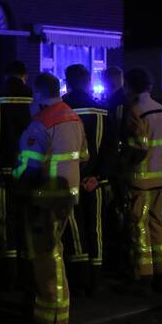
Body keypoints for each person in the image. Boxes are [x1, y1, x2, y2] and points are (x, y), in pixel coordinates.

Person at [13, 72, 89, 324]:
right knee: (56, 250)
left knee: (45, 255)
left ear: (37, 93)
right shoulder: (74, 117)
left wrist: (17, 180)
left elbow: (30, 166)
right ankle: (58, 310)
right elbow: (84, 155)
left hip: (44, 197)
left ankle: (50, 314)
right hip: (69, 195)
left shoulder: (41, 122)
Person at [122, 67, 162, 293]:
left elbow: (138, 146)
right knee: (157, 225)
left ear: (131, 86)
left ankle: (143, 276)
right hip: (158, 179)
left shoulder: (136, 111)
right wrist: (161, 160)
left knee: (139, 226)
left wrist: (125, 163)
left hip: (139, 179)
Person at [61, 64, 110, 296]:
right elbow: (111, 148)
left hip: (71, 179)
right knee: (96, 227)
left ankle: (79, 277)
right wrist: (98, 176)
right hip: (96, 181)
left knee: (74, 226)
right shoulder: (102, 109)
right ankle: (96, 277)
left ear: (67, 81)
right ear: (88, 81)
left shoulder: (63, 109)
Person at [0, 60, 33, 291]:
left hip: (4, 167)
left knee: (5, 219)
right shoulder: (34, 96)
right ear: (24, 75)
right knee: (28, 216)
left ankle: (9, 272)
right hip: (30, 168)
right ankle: (27, 268)